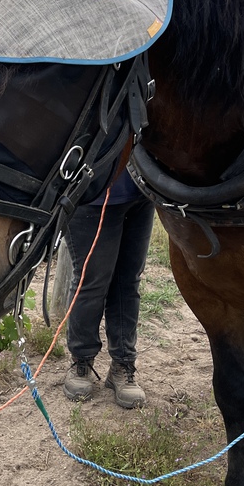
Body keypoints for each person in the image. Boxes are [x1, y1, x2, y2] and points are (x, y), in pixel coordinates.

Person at [60, 167, 155, 407]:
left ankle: (122, 365)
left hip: (141, 193)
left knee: (128, 281)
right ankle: (81, 362)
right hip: (91, 196)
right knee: (91, 282)